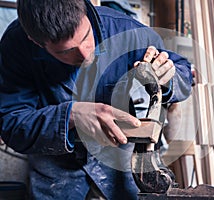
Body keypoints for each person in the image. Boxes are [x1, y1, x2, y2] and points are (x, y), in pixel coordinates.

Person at [0, 0, 193, 199]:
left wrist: (166, 78)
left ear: (85, 11)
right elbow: (11, 123)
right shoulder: (16, 46)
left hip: (122, 161)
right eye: (66, 51)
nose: (85, 54)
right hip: (55, 171)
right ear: (36, 41)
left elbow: (184, 75)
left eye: (86, 37)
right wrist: (70, 116)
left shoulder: (125, 30)